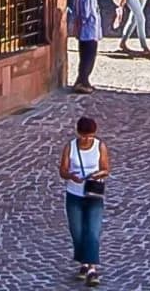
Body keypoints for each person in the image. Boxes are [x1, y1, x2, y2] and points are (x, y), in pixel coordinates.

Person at [59, 115, 109, 285]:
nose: (87, 139)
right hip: (74, 194)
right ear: (78, 133)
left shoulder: (100, 146)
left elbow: (105, 169)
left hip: (93, 194)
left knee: (93, 231)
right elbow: (63, 170)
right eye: (84, 135)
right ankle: (83, 263)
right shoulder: (70, 147)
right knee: (77, 231)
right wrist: (71, 176)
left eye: (90, 135)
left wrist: (96, 175)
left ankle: (92, 269)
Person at [70, 0, 102, 94]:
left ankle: (83, 80)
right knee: (89, 58)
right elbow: (87, 12)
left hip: (82, 31)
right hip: (89, 31)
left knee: (84, 57)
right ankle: (82, 81)